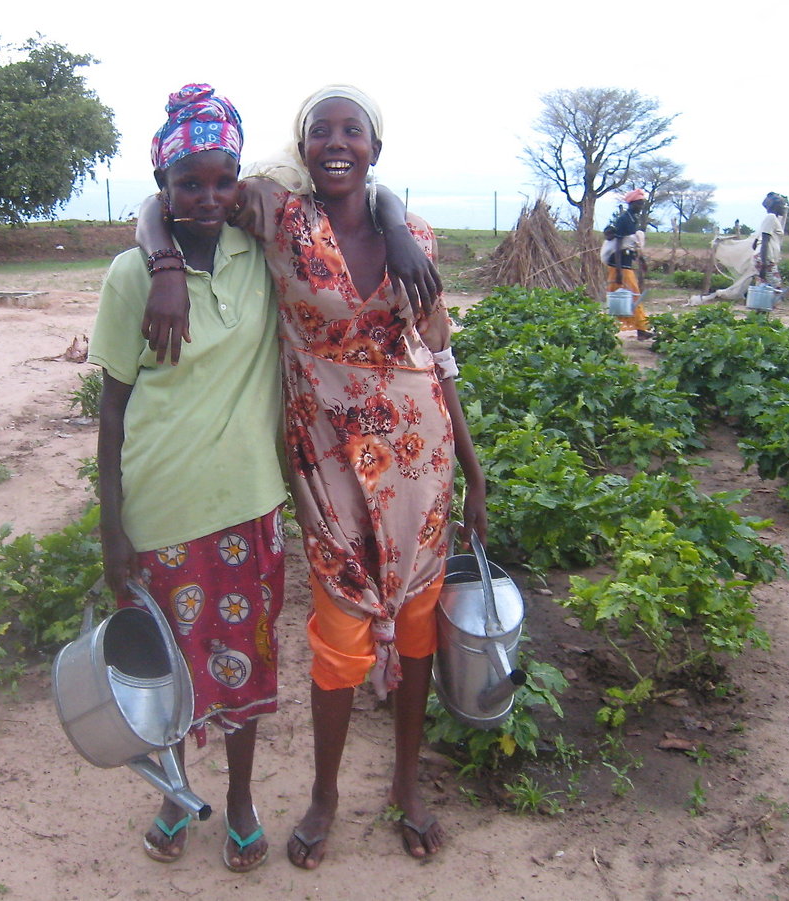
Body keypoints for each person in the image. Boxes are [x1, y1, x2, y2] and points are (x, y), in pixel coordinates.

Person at [137, 84, 487, 869]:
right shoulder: (276, 217)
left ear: (375, 146)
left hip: (420, 466)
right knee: (338, 638)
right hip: (328, 468)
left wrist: (473, 463)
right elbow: (170, 195)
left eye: (352, 130)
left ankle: (405, 786)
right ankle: (325, 795)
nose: (337, 142)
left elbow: (439, 352)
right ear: (301, 146)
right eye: (320, 130)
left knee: (421, 625)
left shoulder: (417, 236)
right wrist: (162, 264)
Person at [90, 84, 286, 873]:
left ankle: (238, 798)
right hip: (160, 508)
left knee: (244, 663)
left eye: (222, 179)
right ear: (161, 183)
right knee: (166, 672)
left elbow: (340, 174)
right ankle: (175, 791)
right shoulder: (130, 277)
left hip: (249, 501)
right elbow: (111, 413)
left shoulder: (262, 253)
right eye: (187, 183)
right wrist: (112, 526)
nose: (208, 197)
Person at [605, 188, 652, 339]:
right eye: (639, 203)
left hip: (625, 264)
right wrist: (618, 270)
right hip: (619, 265)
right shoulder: (624, 219)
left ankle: (639, 328)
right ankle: (640, 329)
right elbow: (619, 245)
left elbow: (632, 244)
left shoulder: (633, 219)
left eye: (642, 203)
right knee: (630, 296)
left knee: (623, 298)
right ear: (631, 203)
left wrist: (641, 260)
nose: (641, 206)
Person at [756, 191, 786, 294]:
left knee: (763, 287)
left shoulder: (774, 219)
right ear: (775, 206)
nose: (784, 208)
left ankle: (759, 308)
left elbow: (755, 243)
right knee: (775, 287)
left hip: (767, 258)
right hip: (767, 259)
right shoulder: (771, 218)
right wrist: (764, 264)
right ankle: (763, 308)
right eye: (782, 205)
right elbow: (765, 241)